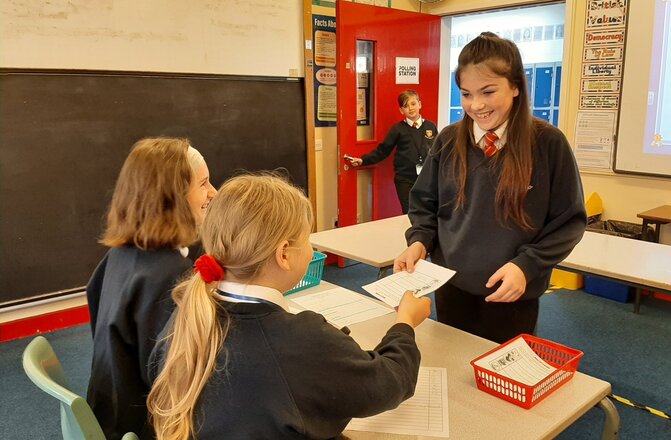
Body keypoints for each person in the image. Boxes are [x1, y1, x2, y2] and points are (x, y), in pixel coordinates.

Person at [146, 174, 431, 440]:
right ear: (284, 254)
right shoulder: (303, 340)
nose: (311, 249)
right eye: (306, 239)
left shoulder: (187, 319)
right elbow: (390, 383)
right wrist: (404, 323)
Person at [394, 33, 586, 344]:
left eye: (488, 91)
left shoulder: (547, 143)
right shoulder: (448, 139)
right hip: (451, 285)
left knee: (501, 378)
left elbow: (568, 222)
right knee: (453, 368)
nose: (476, 105)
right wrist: (419, 241)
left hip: (512, 293)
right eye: (466, 94)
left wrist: (527, 266)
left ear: (515, 87)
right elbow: (425, 203)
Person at [86, 137, 217, 439]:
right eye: (204, 183)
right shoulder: (170, 278)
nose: (213, 192)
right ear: (174, 196)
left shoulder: (120, 254)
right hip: (147, 425)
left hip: (109, 410)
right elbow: (178, 380)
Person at [346, 89, 438, 214]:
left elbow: (437, 152)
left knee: (428, 212)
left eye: (413, 104)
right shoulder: (397, 129)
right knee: (409, 213)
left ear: (419, 104)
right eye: (405, 106)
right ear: (401, 110)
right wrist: (363, 160)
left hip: (426, 179)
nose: (410, 108)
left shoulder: (431, 126)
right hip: (405, 180)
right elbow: (383, 151)